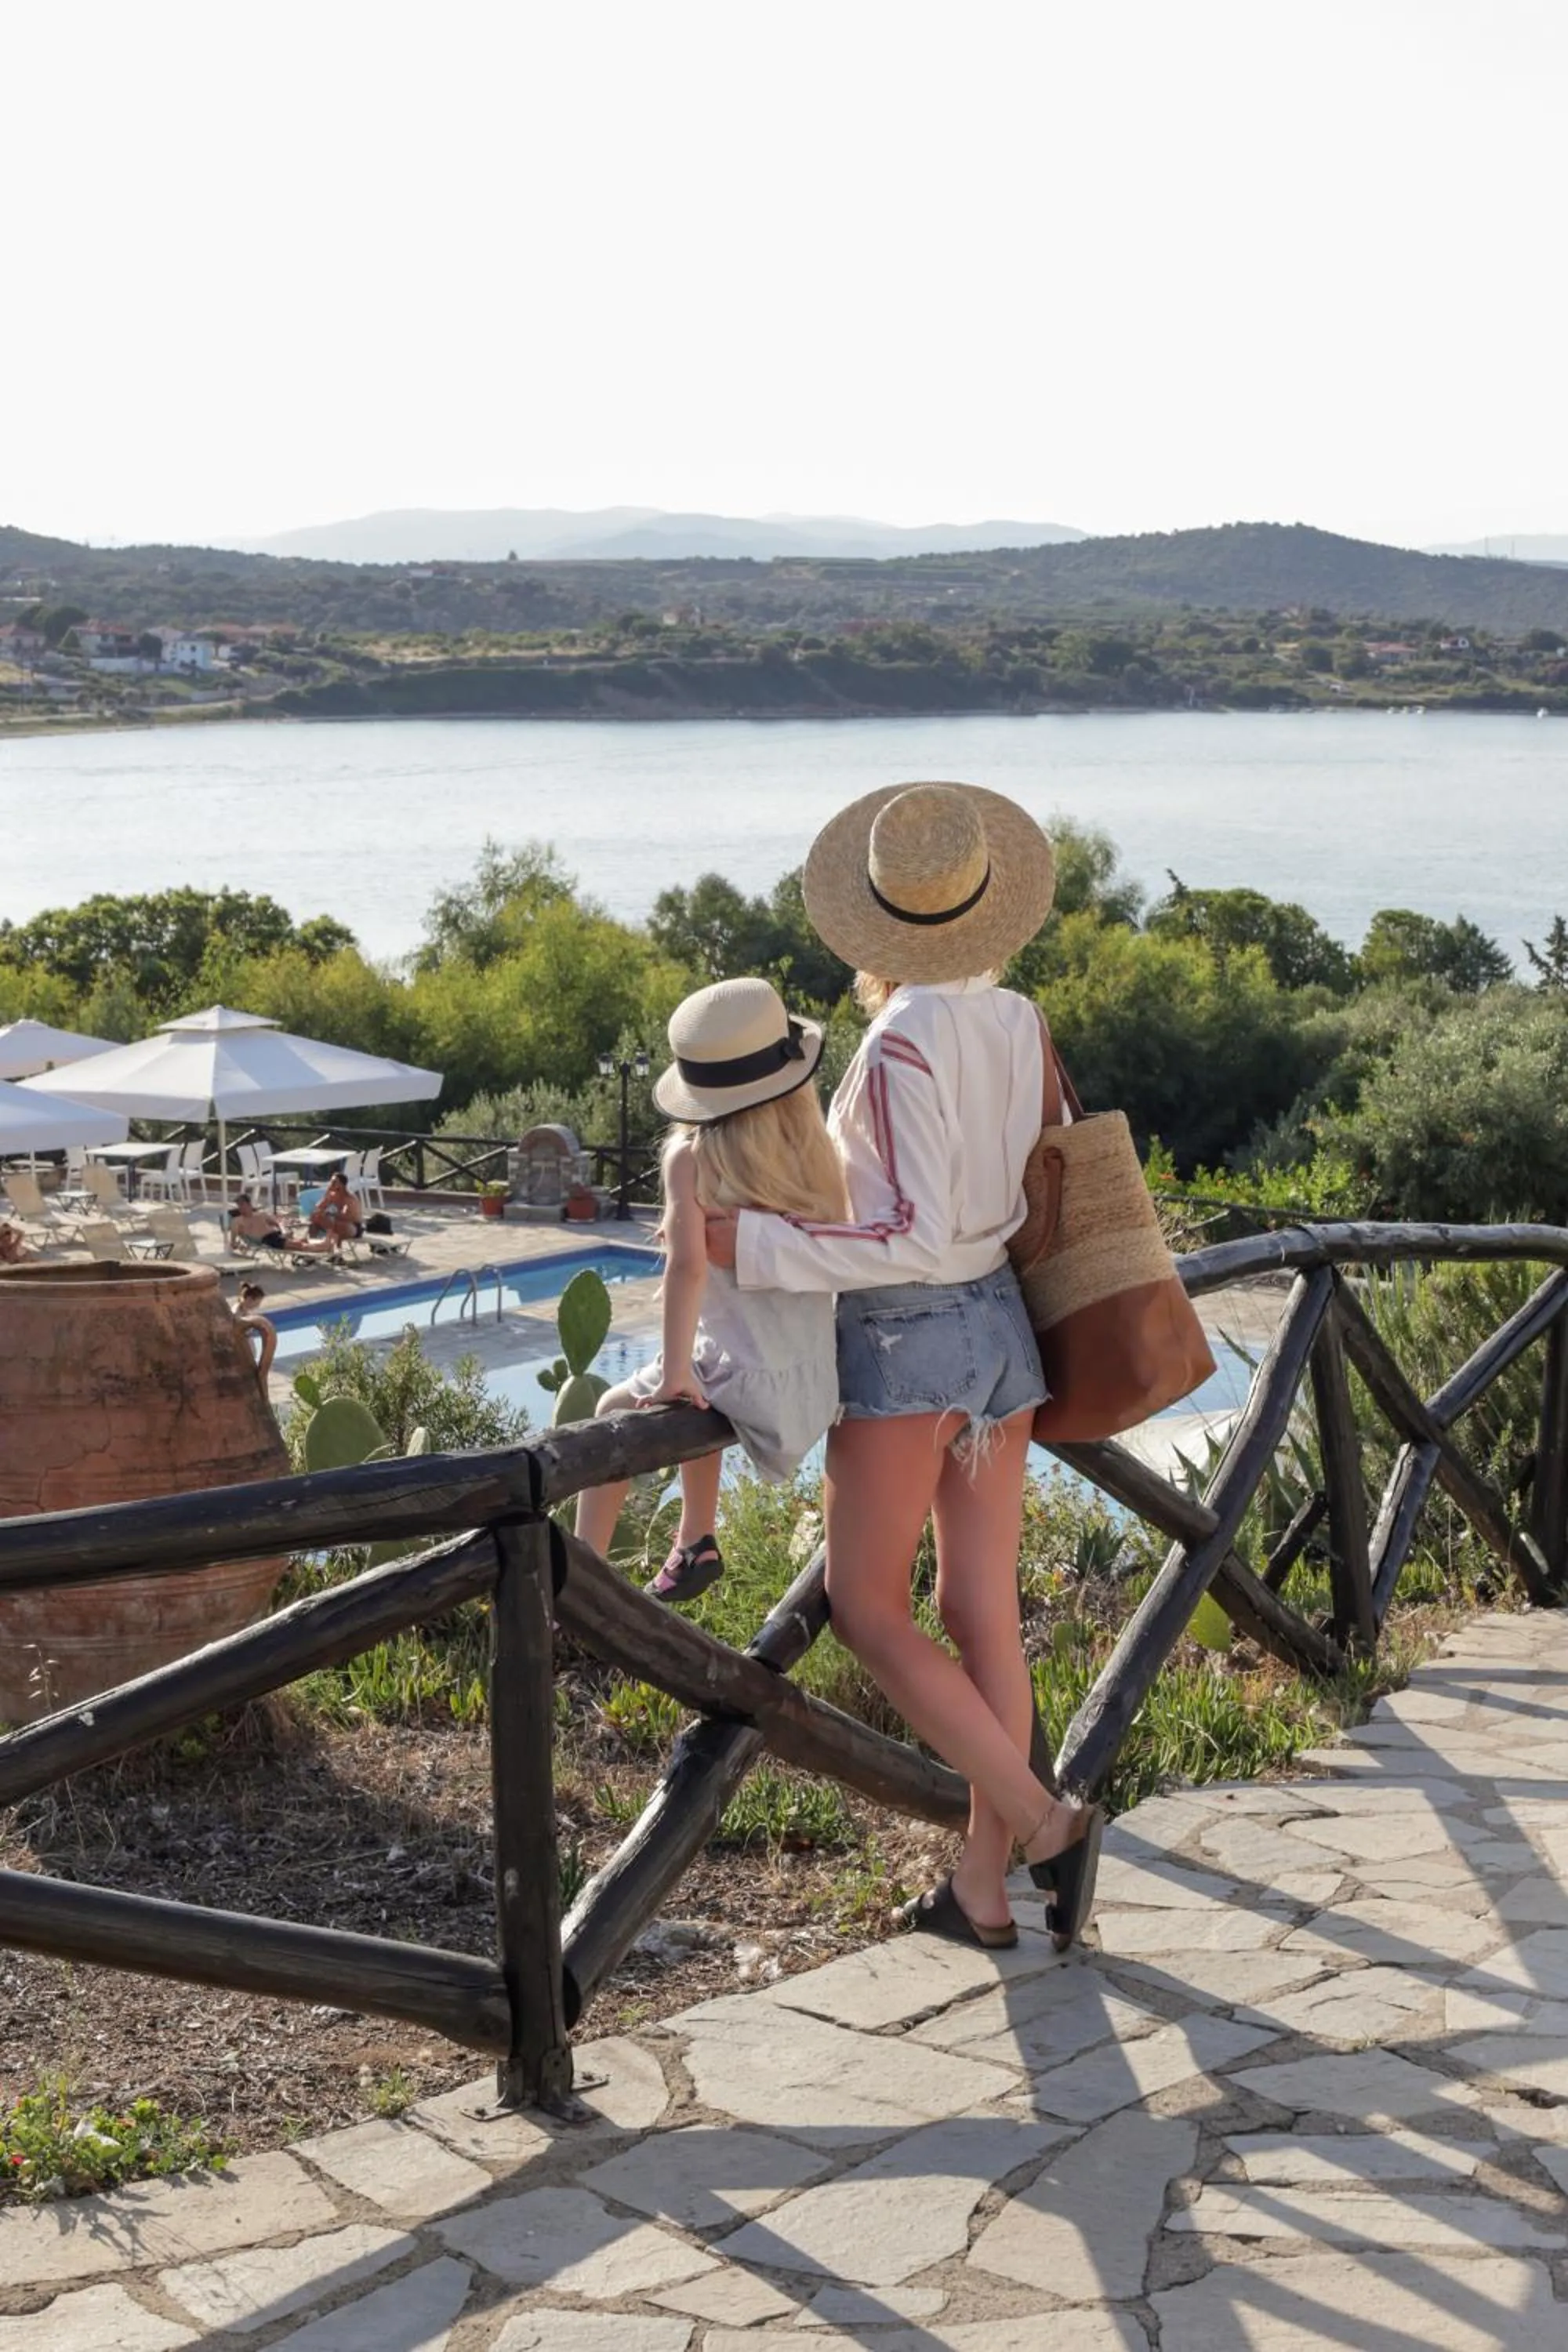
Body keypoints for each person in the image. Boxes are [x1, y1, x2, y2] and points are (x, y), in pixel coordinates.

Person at [706, 782, 1103, 1952]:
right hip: (1001, 1334)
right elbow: (1005, 1199)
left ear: (877, 922)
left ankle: (1041, 1819)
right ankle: (982, 1889)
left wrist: (755, 1247)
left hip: (909, 1334)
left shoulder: (897, 1042)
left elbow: (909, 1236)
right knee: (982, 1612)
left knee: (865, 1607)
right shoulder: (1021, 1021)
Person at [575, 977, 846, 1604]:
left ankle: (583, 1578)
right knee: (703, 1368)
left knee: (613, 1408)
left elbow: (687, 1269)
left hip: (748, 1381)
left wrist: (672, 1373)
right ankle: (696, 1538)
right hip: (811, 1382)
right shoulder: (814, 1152)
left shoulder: (692, 1160)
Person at [227, 1192, 337, 1258]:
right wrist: (239, 1245)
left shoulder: (261, 1214)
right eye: (238, 1205)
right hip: (267, 1240)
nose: (241, 1207)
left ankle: (325, 1246)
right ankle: (326, 1246)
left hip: (276, 1234)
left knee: (301, 1242)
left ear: (249, 1204)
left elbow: (278, 1222)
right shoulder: (237, 1221)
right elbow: (233, 1243)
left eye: (242, 1204)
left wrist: (284, 1231)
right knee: (300, 1246)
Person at [233, 1280, 277, 1383]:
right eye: (257, 1303)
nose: (258, 1306)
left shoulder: (244, 1310)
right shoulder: (236, 1313)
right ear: (249, 1299)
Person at [307, 1170, 365, 1244]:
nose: (331, 1184)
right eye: (331, 1182)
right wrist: (327, 1194)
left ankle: (335, 1249)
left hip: (353, 1226)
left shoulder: (350, 1199)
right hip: (337, 1223)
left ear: (342, 1185)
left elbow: (350, 1217)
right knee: (315, 1218)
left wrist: (330, 1215)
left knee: (338, 1225)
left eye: (334, 1182)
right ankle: (312, 1246)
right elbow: (318, 1208)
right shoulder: (333, 1195)